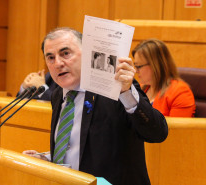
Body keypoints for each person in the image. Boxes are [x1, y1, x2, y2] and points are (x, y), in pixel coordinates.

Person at [23, 27, 168, 185]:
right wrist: (46, 157)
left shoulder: (116, 89)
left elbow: (157, 133)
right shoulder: (59, 95)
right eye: (50, 57)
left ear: (87, 54)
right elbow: (81, 147)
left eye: (65, 53)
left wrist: (126, 93)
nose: (58, 63)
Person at [132, 39, 196, 117]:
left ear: (155, 65)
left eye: (139, 66)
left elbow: (176, 129)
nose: (136, 71)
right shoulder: (141, 88)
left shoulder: (180, 93)